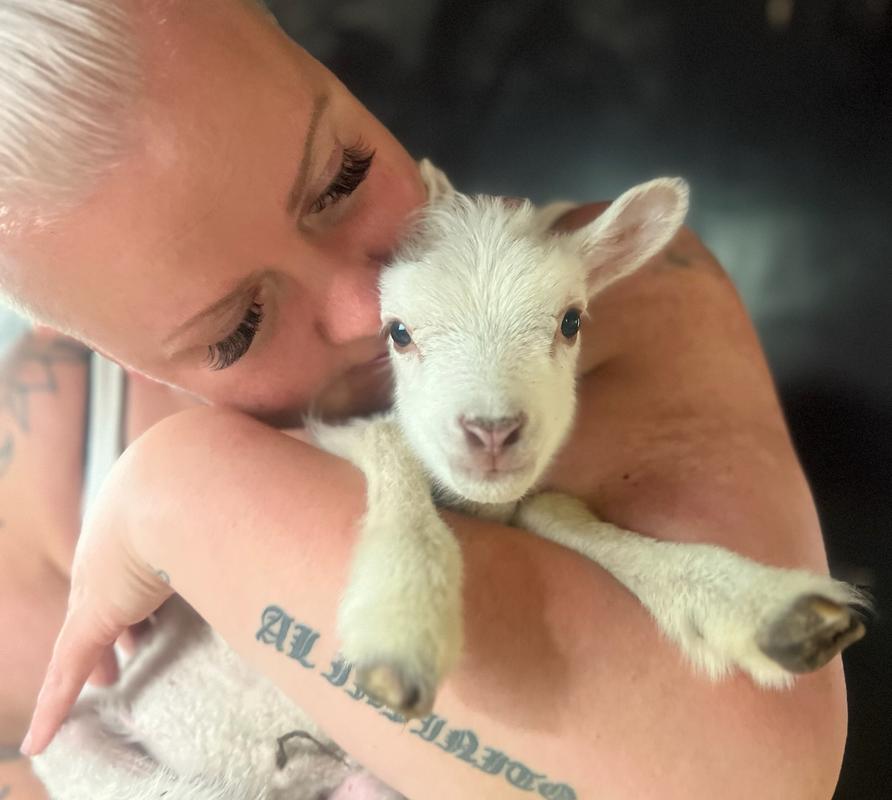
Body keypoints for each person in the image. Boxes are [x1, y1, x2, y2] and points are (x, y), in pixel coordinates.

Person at [0, 1, 851, 798]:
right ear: (102, 349)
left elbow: (758, 771)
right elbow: (35, 756)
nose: (365, 308)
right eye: (238, 327)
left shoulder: (643, 300)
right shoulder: (47, 455)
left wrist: (176, 490)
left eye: (342, 179)